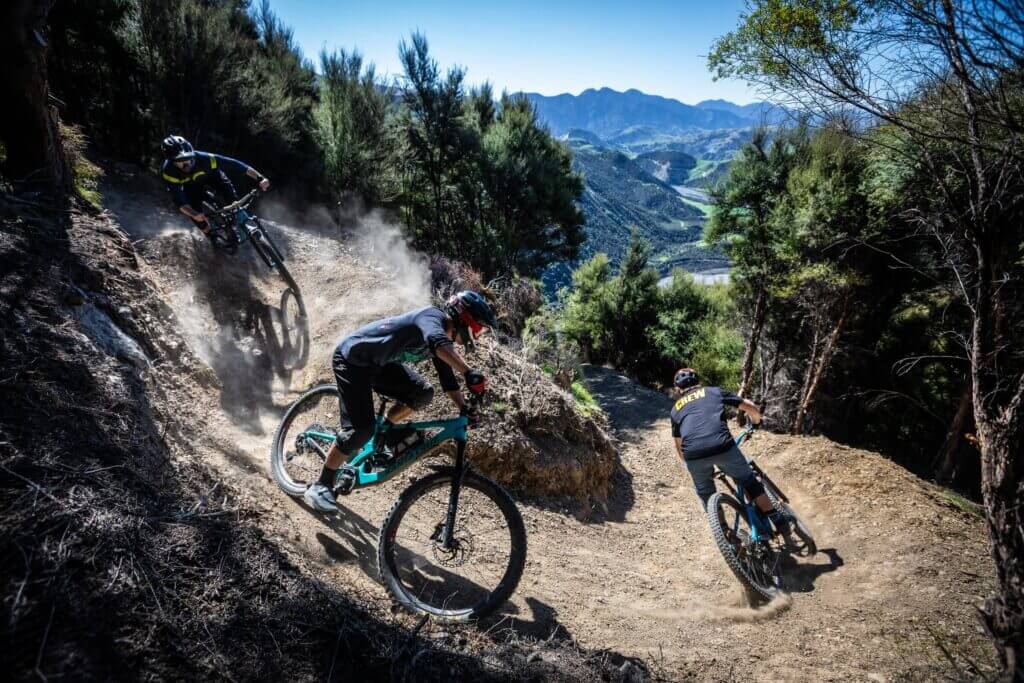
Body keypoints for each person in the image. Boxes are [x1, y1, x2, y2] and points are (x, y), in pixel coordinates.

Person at [304, 291, 498, 513]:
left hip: (378, 365)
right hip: (353, 360)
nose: (478, 334)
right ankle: (321, 485)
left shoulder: (443, 341)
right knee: (361, 429)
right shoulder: (432, 318)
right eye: (479, 328)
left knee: (422, 393)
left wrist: (463, 407)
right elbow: (436, 342)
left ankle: (382, 430)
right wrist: (468, 371)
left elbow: (448, 382)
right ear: (466, 319)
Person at [669, 368, 793, 537]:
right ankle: (778, 520)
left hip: (693, 456)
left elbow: (679, 444)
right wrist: (757, 421)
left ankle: (725, 533)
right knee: (748, 481)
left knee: (705, 492)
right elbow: (749, 406)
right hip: (723, 446)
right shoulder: (713, 392)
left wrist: (696, 463)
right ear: (698, 381)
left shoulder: (676, 409)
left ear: (678, 389)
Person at [160, 135, 271, 241]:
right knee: (200, 221)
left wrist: (260, 178)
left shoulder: (205, 158)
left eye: (188, 159)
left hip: (213, 178)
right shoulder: (169, 171)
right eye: (180, 162)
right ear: (171, 161)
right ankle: (213, 238)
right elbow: (179, 200)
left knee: (233, 201)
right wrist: (194, 214)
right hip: (191, 188)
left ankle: (244, 224)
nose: (186, 164)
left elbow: (236, 165)